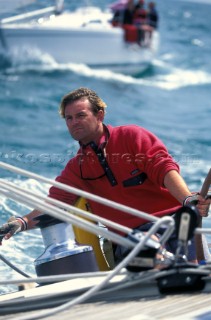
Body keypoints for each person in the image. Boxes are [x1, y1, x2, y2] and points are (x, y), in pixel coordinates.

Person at [0, 87, 210, 264]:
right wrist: (21, 222)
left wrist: (187, 198)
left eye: (81, 115)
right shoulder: (77, 168)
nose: (74, 122)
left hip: (174, 222)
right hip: (130, 241)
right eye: (69, 118)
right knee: (148, 247)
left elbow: (163, 168)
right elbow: (54, 204)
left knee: (186, 247)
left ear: (100, 115)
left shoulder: (131, 136)